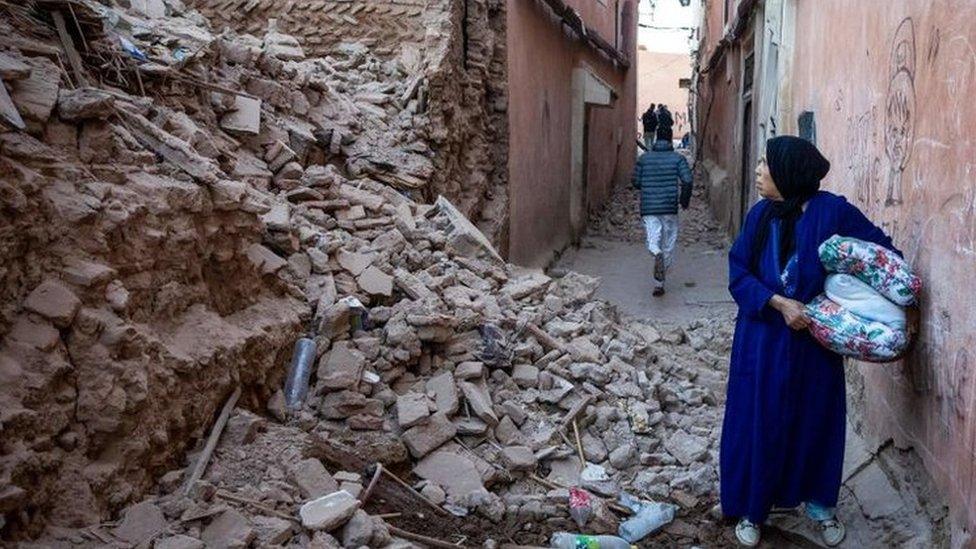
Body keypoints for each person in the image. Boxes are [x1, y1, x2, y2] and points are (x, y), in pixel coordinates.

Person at [720, 136, 900, 547]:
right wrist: (779, 303)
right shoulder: (760, 217)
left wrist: (844, 300)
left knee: (815, 419)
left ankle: (820, 505)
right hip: (762, 341)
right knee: (760, 420)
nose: (760, 171)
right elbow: (738, 272)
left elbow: (881, 255)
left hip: (814, 344)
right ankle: (753, 508)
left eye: (766, 164)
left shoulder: (832, 212)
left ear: (789, 172)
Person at [630, 126, 692, 296]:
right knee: (669, 243)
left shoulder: (644, 158)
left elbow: (635, 181)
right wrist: (684, 201)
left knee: (653, 239)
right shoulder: (678, 159)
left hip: (649, 206)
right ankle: (659, 283)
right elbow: (687, 180)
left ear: (656, 138)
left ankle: (655, 253)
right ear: (671, 139)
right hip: (669, 207)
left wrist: (648, 185)